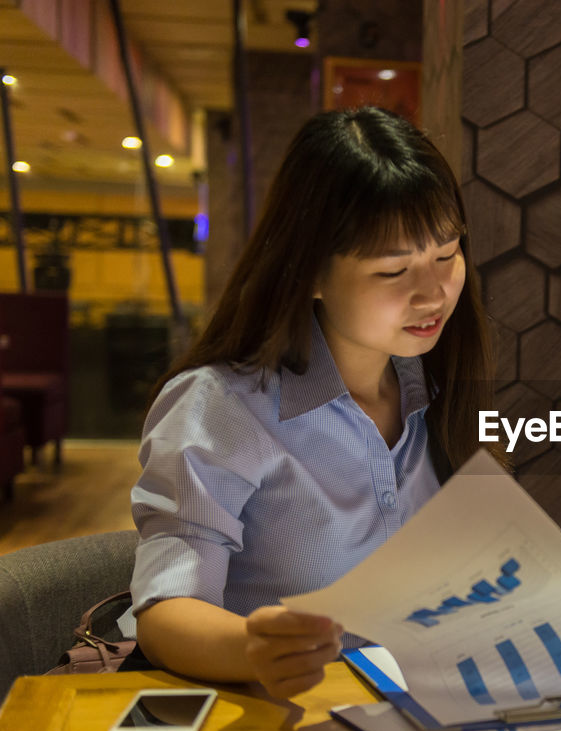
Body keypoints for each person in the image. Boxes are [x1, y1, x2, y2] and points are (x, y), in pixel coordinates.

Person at [126, 107, 496, 698]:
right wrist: (252, 647)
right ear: (310, 273)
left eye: (448, 255)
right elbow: (167, 613)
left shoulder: (436, 386)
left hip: (422, 720)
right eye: (394, 269)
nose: (433, 294)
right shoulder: (221, 406)